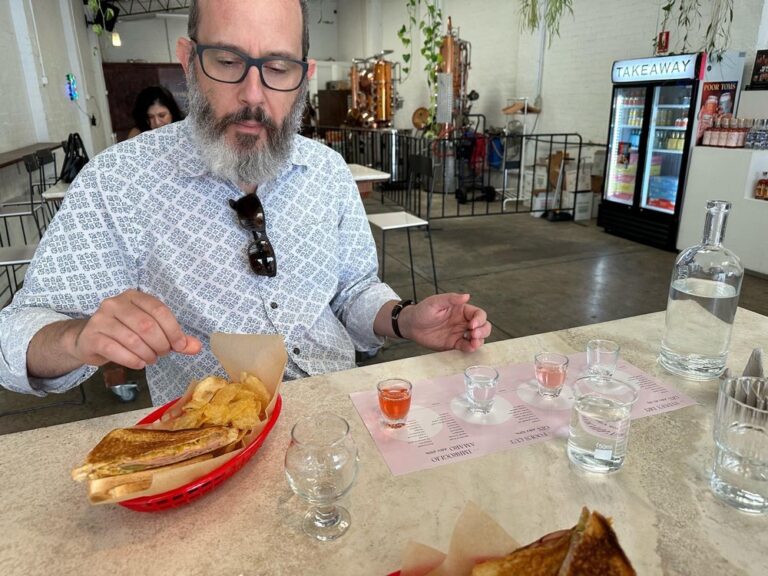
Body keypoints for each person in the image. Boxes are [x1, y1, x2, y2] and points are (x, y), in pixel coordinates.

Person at [0, 0, 491, 407]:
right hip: (209, 442)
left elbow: (353, 289)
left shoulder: (325, 171)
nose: (252, 95)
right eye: (228, 62)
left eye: (278, 67)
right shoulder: (120, 182)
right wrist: (78, 337)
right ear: (189, 59)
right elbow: (15, 335)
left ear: (304, 76)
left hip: (340, 410)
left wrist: (404, 316)